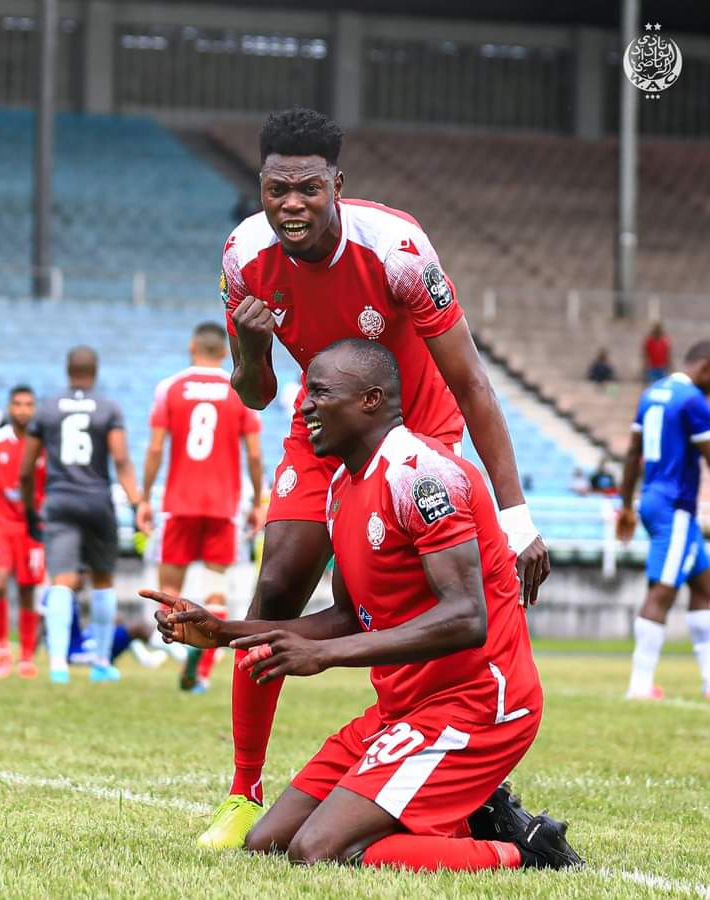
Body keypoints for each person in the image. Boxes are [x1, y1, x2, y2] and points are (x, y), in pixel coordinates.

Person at [211, 106, 550, 848]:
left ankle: (459, 764)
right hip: (322, 424)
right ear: (260, 187)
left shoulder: (398, 250)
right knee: (277, 587)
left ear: (337, 185)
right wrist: (251, 349)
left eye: (308, 188)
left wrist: (516, 517)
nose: (291, 205)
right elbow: (256, 394)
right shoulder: (242, 257)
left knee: (424, 595)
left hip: (413, 427)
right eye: (275, 189)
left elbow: (472, 383)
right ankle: (243, 792)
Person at [144, 339, 582, 872]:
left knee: (316, 850)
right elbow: (349, 615)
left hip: (476, 705)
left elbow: (467, 618)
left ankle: (528, 852)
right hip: (402, 709)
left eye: (320, 393)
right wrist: (223, 632)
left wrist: (324, 657)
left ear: (371, 400)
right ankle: (472, 814)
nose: (305, 406)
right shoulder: (340, 488)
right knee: (267, 842)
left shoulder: (421, 476)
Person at [137, 321, 264, 693]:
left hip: (179, 502)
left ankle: (176, 649)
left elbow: (155, 448)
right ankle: (201, 671)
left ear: (192, 347)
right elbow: (255, 454)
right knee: (216, 589)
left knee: (169, 588)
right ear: (224, 352)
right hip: (224, 505)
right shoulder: (238, 389)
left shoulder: (170, 387)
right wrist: (258, 500)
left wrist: (144, 496)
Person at [20, 346, 143, 684]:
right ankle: (101, 662)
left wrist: (30, 508)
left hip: (60, 501)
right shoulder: (108, 408)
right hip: (97, 501)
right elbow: (121, 461)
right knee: (102, 580)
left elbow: (27, 471)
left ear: (67, 370)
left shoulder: (47, 409)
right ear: (95, 371)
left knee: (61, 581)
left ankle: (58, 664)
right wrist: (136, 502)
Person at [617, 341, 710, 700]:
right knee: (662, 590)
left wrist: (626, 506)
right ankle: (639, 686)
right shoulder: (692, 401)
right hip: (676, 506)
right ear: (705, 367)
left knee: (703, 588)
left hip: (653, 499)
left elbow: (632, 452)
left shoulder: (652, 393)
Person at [0, 386, 46, 679]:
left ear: (34, 409)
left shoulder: (44, 444)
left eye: (28, 404)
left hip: (31, 526)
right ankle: (2, 649)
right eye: (18, 404)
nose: (23, 409)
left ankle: (26, 656)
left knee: (27, 589)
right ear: (9, 408)